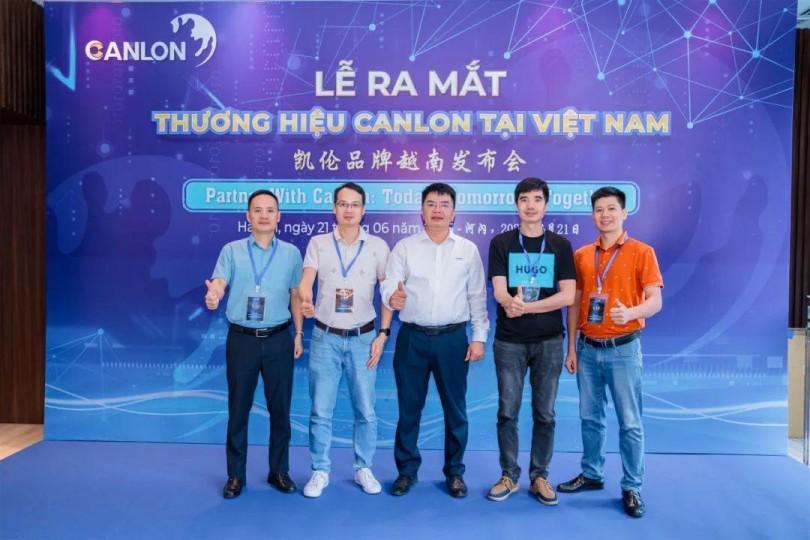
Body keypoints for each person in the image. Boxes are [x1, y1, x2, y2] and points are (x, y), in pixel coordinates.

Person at [557, 186, 663, 518]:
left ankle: (632, 486)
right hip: (587, 349)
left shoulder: (642, 252)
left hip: (623, 349)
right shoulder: (582, 255)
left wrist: (631, 313)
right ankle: (592, 473)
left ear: (624, 213)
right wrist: (571, 347)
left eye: (611, 209)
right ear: (593, 215)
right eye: (599, 209)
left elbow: (655, 301)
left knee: (630, 422)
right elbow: (575, 303)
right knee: (590, 417)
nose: (605, 215)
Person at [381, 182, 489, 498]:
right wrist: (391, 297)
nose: (438, 210)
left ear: (453, 213)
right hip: (412, 339)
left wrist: (479, 337)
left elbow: (477, 296)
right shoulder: (404, 247)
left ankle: (454, 473)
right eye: (431, 204)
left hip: (452, 340)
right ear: (421, 211)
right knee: (409, 409)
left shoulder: (467, 250)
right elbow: (389, 284)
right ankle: (406, 471)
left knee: (455, 410)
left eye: (444, 205)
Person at [204, 189, 304, 499]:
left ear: (279, 216)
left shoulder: (291, 253)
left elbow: (295, 295)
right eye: (257, 210)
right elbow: (219, 282)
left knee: (280, 410)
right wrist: (214, 294)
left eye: (270, 210)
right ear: (248, 216)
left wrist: (299, 334)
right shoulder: (232, 250)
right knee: (238, 410)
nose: (264, 215)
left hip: (279, 339)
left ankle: (279, 471)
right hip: (242, 341)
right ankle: (236, 475)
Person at [298, 182, 392, 498]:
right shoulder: (319, 243)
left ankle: (363, 468)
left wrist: (384, 333)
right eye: (342, 204)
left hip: (364, 338)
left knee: (365, 410)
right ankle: (320, 470)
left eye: (354, 205)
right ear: (334, 209)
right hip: (325, 338)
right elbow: (306, 281)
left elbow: (387, 294)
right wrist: (305, 298)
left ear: (363, 210)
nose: (348, 210)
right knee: (320, 410)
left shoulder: (378, 246)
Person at [486, 177, 576, 506]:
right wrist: (509, 302)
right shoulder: (501, 243)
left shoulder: (560, 245)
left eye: (537, 199)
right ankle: (509, 475)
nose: (530, 205)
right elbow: (499, 290)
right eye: (524, 199)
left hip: (549, 341)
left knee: (545, 414)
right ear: (516, 205)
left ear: (545, 205)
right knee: (507, 412)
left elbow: (567, 295)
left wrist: (526, 307)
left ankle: (539, 477)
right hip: (509, 341)